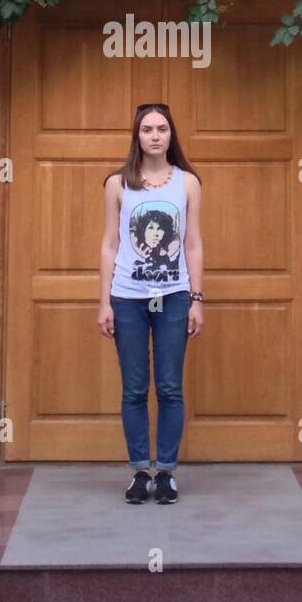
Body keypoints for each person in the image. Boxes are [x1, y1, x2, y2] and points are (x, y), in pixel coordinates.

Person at [97, 103, 204, 504]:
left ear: (171, 134)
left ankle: (167, 473)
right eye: (147, 129)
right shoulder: (117, 184)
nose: (155, 136)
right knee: (135, 388)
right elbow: (110, 244)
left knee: (170, 387)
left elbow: (192, 243)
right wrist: (104, 301)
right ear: (137, 136)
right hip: (128, 298)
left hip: (172, 297)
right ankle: (140, 471)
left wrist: (196, 298)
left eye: (162, 128)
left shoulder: (188, 183)